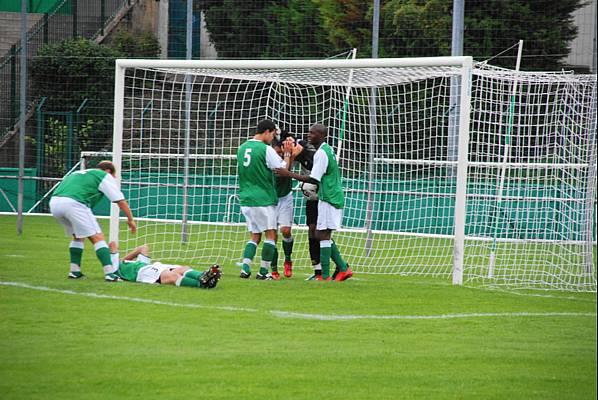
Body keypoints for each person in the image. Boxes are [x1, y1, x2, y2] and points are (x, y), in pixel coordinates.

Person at [275, 123, 352, 281]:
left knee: (322, 234)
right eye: (308, 133)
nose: (309, 135)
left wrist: (288, 173)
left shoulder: (320, 154)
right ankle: (338, 269)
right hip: (325, 196)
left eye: (312, 133)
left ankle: (327, 274)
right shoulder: (325, 150)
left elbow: (313, 179)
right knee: (320, 233)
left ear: (322, 135)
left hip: (327, 196)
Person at [49, 160, 136, 282]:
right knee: (97, 237)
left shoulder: (77, 173)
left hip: (55, 203)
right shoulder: (103, 175)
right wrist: (130, 219)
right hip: (75, 203)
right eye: (114, 175)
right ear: (108, 171)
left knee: (78, 237)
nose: (114, 178)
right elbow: (120, 200)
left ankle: (74, 271)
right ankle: (110, 274)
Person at [236, 120, 299, 280]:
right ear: (266, 132)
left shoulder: (242, 148)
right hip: (263, 199)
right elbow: (283, 168)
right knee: (271, 236)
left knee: (255, 236)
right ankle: (263, 273)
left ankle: (245, 269)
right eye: (272, 134)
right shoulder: (265, 149)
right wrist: (287, 154)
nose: (272, 138)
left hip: (246, 199)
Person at [109, 242, 222, 289]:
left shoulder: (132, 262)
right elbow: (112, 246)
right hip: (142, 273)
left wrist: (124, 259)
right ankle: (203, 284)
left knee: (183, 268)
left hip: (153, 266)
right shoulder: (114, 268)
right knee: (172, 277)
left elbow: (143, 248)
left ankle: (204, 277)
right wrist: (119, 259)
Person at [270, 133, 298, 279]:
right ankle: (273, 269)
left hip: (285, 197)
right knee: (272, 235)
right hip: (270, 199)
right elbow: (283, 172)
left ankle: (288, 259)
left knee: (286, 231)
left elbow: (299, 148)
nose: (278, 156)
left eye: (281, 153)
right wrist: (288, 155)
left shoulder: (286, 157)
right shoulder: (270, 162)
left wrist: (292, 142)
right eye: (276, 153)